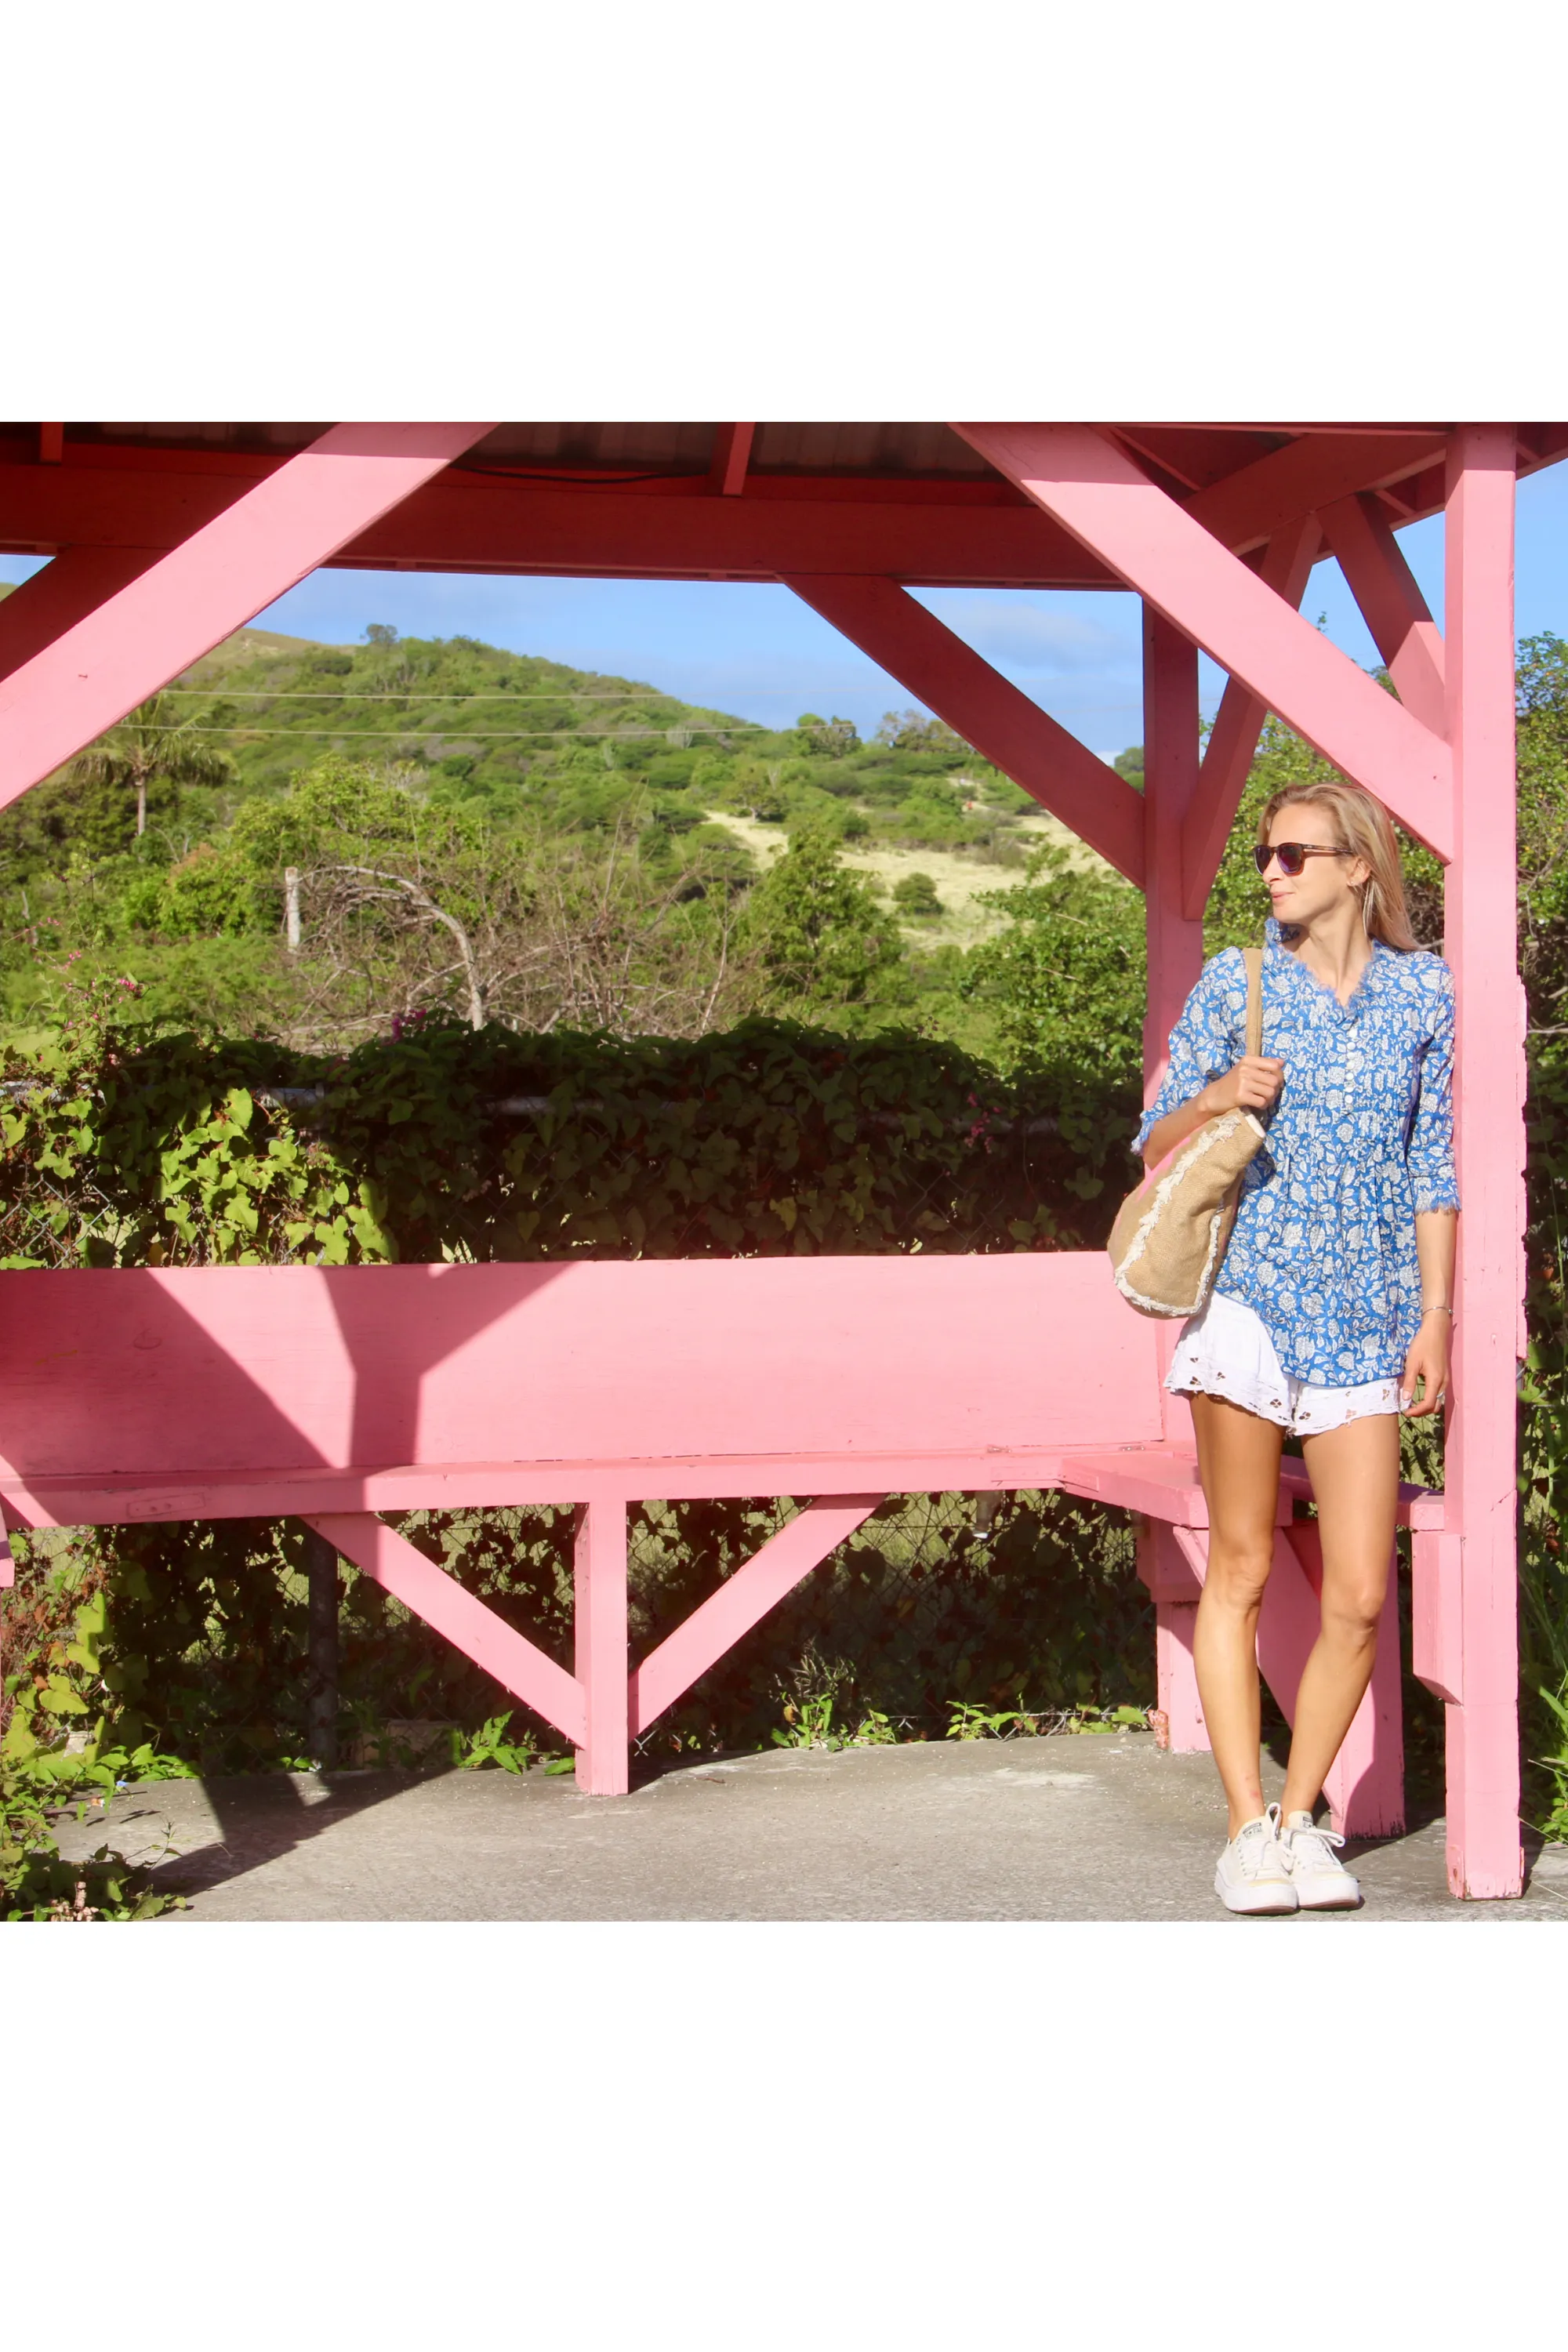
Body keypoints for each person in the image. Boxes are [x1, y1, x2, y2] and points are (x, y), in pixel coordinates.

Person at [1138, 778, 1458, 1915]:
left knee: (1363, 1593)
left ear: (1357, 867)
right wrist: (1226, 1087)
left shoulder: (1427, 995)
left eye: (1292, 854)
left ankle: (1298, 1818)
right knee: (1243, 1564)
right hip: (1251, 1305)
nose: (1270, 872)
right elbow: (1155, 1136)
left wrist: (1435, 1316)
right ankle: (1243, 1831)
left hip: (1371, 1320)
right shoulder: (1241, 982)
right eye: (1264, 857)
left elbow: (1438, 1168)